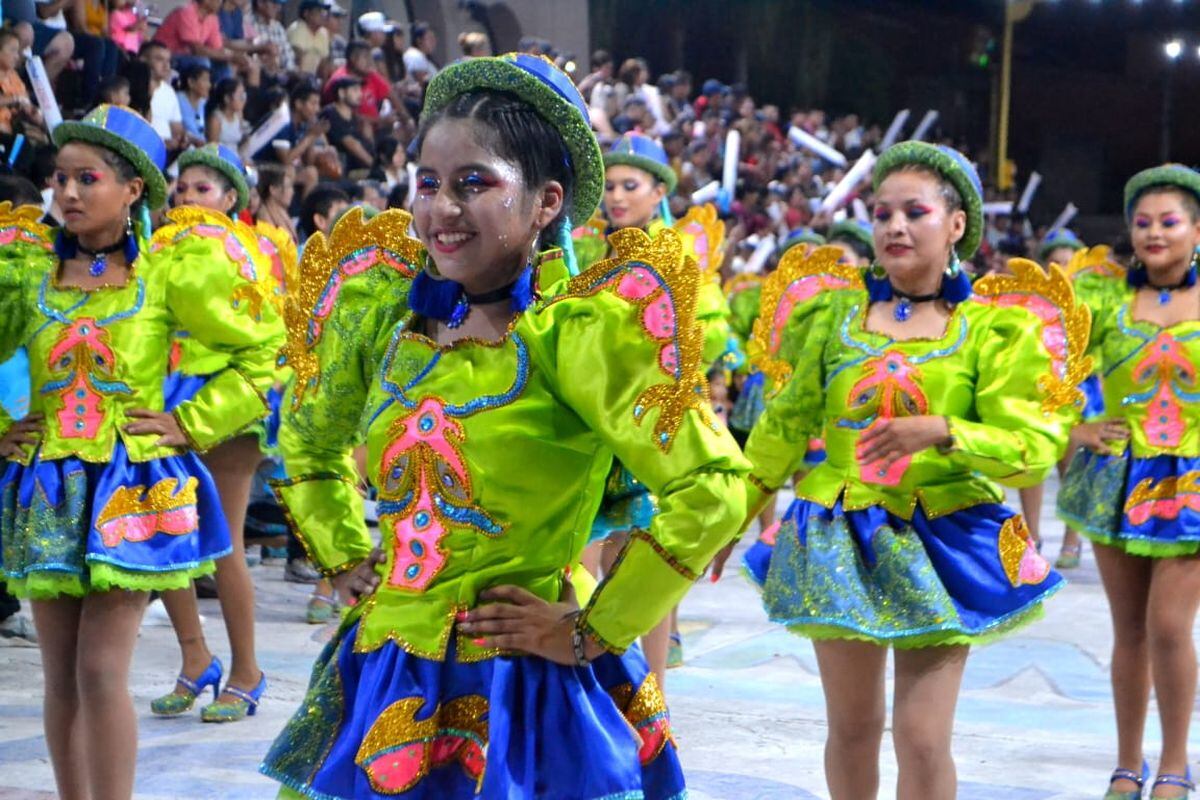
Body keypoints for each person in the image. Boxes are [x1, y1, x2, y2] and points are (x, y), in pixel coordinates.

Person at [260, 52, 746, 800]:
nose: (440, 211)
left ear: (547, 201)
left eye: (474, 184)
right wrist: (343, 554)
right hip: (387, 664)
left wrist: (592, 628)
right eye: (429, 184)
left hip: (523, 690)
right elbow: (307, 440)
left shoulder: (578, 335)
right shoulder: (383, 314)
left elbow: (712, 487)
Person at [730, 142, 1082, 799]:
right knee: (853, 728)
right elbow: (783, 426)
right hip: (837, 534)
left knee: (922, 737)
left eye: (913, 211)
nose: (893, 225)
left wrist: (946, 431)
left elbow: (1034, 443)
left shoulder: (990, 332)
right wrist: (731, 514)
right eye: (881, 211)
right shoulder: (834, 321)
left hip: (948, 539)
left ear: (956, 226)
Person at [0, 104, 276, 799]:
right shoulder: (26, 275)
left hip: (132, 488)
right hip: (49, 489)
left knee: (99, 668)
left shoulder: (168, 274)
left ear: (133, 192)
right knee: (61, 673)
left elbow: (265, 346)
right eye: (59, 179)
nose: (65, 193)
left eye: (86, 178)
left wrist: (194, 420)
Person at [1057, 165, 1200, 800]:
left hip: (1192, 482)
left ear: (1197, 229)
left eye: (1169, 222)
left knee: (1170, 624)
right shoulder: (1102, 300)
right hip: (1115, 475)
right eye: (1142, 223)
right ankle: (1125, 764)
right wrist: (1074, 428)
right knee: (1131, 632)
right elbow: (1040, 372)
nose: (1154, 234)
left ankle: (1175, 761)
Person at [148, 143, 286, 724]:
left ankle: (247, 670)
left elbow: (264, 335)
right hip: (171, 394)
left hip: (232, 398)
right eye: (182, 188)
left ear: (232, 198)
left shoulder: (251, 249)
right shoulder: (164, 248)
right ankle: (194, 658)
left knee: (223, 538)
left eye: (203, 189)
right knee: (163, 525)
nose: (188, 198)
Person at [1037, 227, 1097, 570]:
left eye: (1068, 262)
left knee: (1071, 465)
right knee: (1032, 465)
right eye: (1054, 262)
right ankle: (1031, 535)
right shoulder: (1029, 304)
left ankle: (1072, 538)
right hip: (1039, 391)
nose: (1061, 269)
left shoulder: (1092, 303)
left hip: (1078, 391)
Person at [155, 0, 247, 78]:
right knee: (202, 62)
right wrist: (231, 57)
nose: (221, 3)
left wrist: (235, 57)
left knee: (222, 64)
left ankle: (221, 96)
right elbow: (196, 50)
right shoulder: (187, 11)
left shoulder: (212, 17)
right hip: (166, 56)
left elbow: (218, 49)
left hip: (187, 57)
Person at [320, 75, 373, 175]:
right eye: (355, 90)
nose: (360, 94)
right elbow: (352, 144)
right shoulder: (330, 114)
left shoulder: (354, 116)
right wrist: (376, 166)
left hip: (362, 167)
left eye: (360, 90)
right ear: (341, 93)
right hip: (345, 170)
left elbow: (367, 143)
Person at [141, 41, 188, 151]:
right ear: (143, 60)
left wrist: (181, 139)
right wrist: (160, 142)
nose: (166, 66)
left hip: (167, 152)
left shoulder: (169, 91)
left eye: (168, 61)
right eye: (159, 59)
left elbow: (177, 128)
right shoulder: (133, 88)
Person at [204, 76, 248, 152]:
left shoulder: (239, 115)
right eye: (240, 96)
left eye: (244, 95)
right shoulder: (216, 120)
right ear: (227, 98)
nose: (243, 99)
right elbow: (212, 149)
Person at [287, 0, 329, 74]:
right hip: (296, 77)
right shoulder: (298, 28)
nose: (323, 15)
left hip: (314, 78)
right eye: (318, 11)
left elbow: (324, 62)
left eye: (323, 11)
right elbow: (297, 60)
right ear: (306, 14)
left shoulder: (323, 32)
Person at [251, 0, 293, 73]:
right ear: (260, 3)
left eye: (279, 4)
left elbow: (288, 58)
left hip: (281, 75)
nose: (278, 8)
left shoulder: (278, 27)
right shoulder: (249, 24)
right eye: (274, 3)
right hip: (259, 74)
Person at [175, 63, 211, 147]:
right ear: (191, 82)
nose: (209, 85)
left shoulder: (203, 102)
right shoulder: (177, 99)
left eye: (209, 81)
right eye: (205, 80)